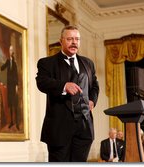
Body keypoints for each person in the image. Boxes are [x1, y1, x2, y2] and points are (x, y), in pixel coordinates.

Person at [36, 25, 99, 162]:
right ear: (61, 41)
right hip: (59, 129)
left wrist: (92, 100)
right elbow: (41, 82)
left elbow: (94, 85)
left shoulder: (88, 63)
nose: (74, 42)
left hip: (84, 127)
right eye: (70, 39)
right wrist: (63, 86)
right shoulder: (47, 63)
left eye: (77, 39)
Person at [1, 45, 19, 130]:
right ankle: (12, 122)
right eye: (9, 50)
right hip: (9, 86)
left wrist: (17, 86)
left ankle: (17, 123)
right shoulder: (8, 61)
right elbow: (2, 68)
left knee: (15, 104)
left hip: (14, 86)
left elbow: (16, 75)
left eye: (11, 50)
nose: (10, 51)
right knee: (11, 104)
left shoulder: (15, 63)